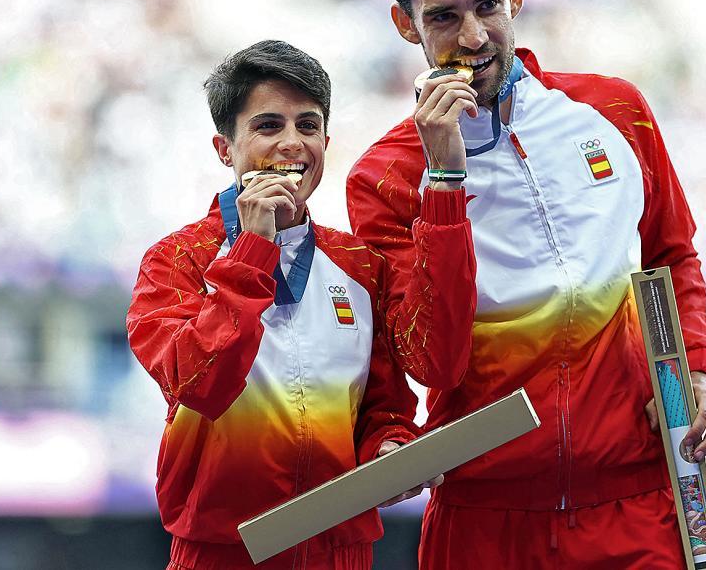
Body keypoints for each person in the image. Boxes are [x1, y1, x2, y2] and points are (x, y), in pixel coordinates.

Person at [346, 0, 706, 569]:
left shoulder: (615, 111)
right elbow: (432, 362)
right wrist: (444, 179)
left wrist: (698, 369)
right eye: (444, 17)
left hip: (636, 502)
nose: (473, 36)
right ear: (406, 24)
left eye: (487, 5)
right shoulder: (385, 177)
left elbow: (672, 256)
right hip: (485, 523)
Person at [126, 39, 476, 569]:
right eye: (269, 126)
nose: (292, 144)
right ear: (225, 149)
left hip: (342, 551)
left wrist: (389, 446)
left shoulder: (360, 264)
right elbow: (201, 386)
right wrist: (252, 249)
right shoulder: (175, 262)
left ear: (326, 143)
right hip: (224, 554)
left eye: (308, 126)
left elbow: (384, 407)